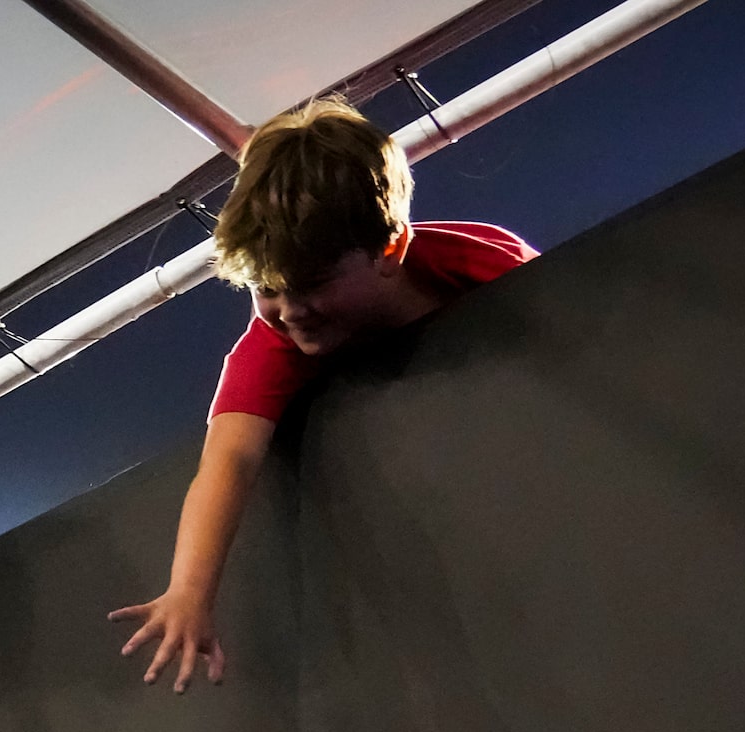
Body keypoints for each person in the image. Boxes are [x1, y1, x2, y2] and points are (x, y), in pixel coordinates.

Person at [110, 96, 535, 692]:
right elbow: (227, 463)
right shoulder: (268, 347)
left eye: (310, 285)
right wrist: (188, 592)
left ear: (390, 251)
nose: (289, 312)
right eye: (266, 289)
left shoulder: (482, 260)